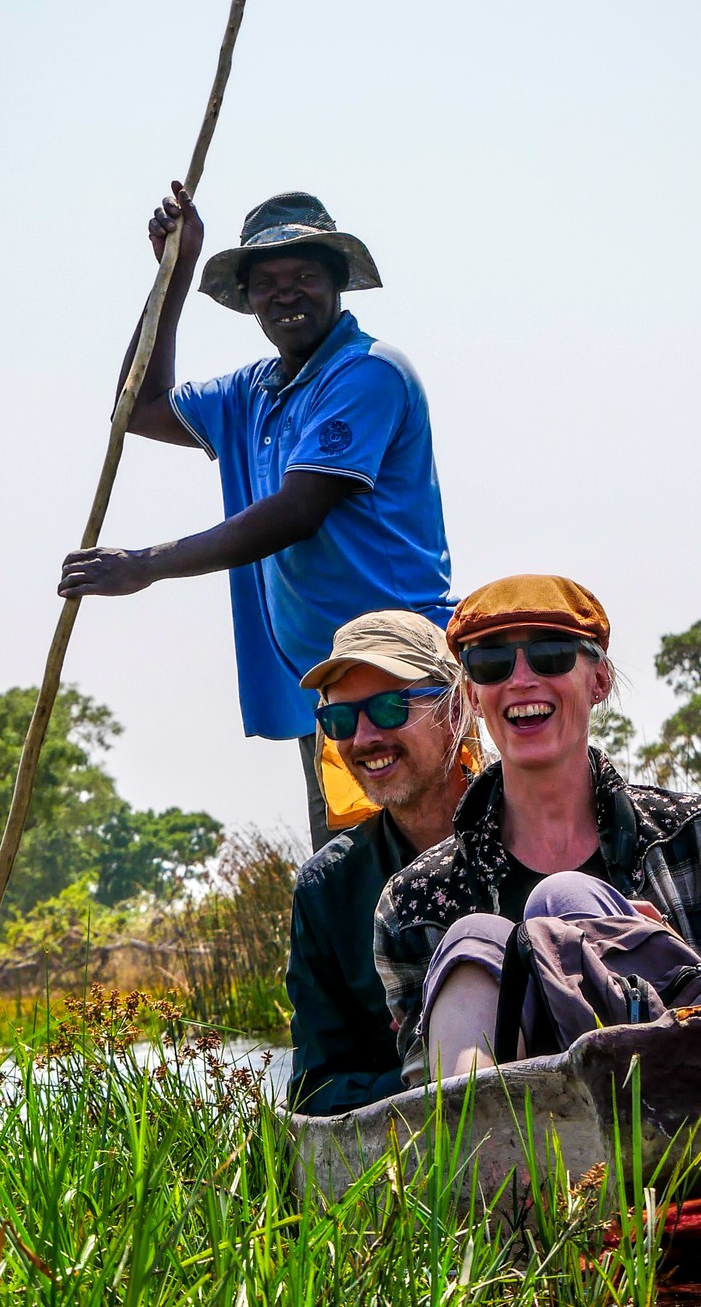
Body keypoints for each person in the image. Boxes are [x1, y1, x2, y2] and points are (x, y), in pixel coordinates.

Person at [373, 574, 701, 1085]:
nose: (520, 679)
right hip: (524, 1143)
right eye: (491, 663)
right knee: (479, 939)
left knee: (564, 902)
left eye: (550, 655)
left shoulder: (694, 834)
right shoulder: (419, 899)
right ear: (471, 694)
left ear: (599, 681)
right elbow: (419, 1076)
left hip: (697, 1121)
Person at [57, 185, 454, 849]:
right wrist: (173, 273)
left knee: (432, 873)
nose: (286, 292)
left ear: (336, 283)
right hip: (326, 694)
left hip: (400, 683)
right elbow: (137, 406)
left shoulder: (366, 373)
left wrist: (147, 565)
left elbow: (298, 511)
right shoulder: (251, 393)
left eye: (304, 275)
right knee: (354, 887)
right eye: (266, 281)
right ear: (247, 301)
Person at [286, 610, 473, 1116]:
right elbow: (316, 1087)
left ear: (456, 709)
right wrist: (428, 1082)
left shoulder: (535, 833)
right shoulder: (328, 889)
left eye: (391, 707)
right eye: (340, 720)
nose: (364, 737)